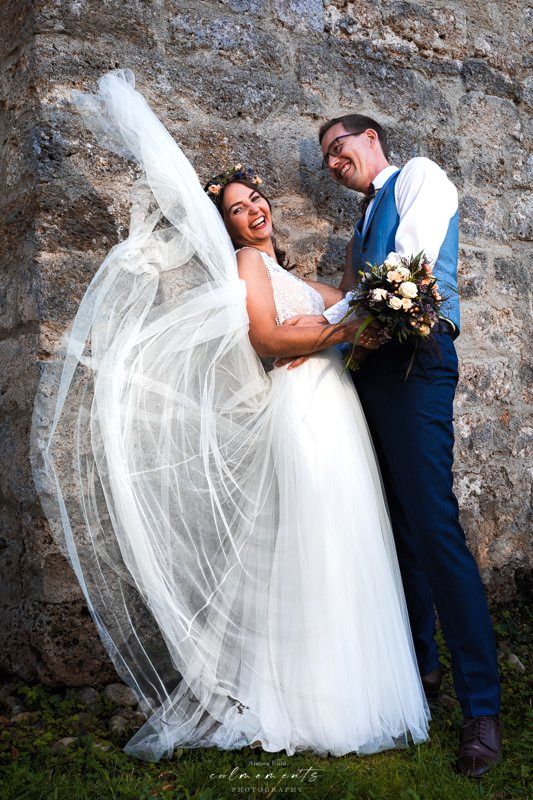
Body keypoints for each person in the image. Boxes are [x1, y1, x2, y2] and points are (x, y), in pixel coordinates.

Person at [32, 71, 430, 762]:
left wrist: (381, 300)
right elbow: (269, 341)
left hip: (335, 412)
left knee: (346, 534)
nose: (254, 213)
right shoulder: (247, 263)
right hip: (301, 412)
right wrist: (340, 331)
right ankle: (301, 697)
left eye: (257, 201)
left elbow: (346, 299)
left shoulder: (295, 272)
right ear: (227, 227)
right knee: (311, 536)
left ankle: (352, 685)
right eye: (239, 208)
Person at [285, 114, 502, 778]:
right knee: (396, 529)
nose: (332, 161)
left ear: (370, 138)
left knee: (433, 527)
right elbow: (359, 296)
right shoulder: (361, 219)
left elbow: (405, 267)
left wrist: (334, 322)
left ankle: (481, 708)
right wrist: (309, 324)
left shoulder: (419, 179)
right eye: (324, 155)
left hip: (414, 361)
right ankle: (418, 675)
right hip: (370, 370)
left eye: (337, 147)